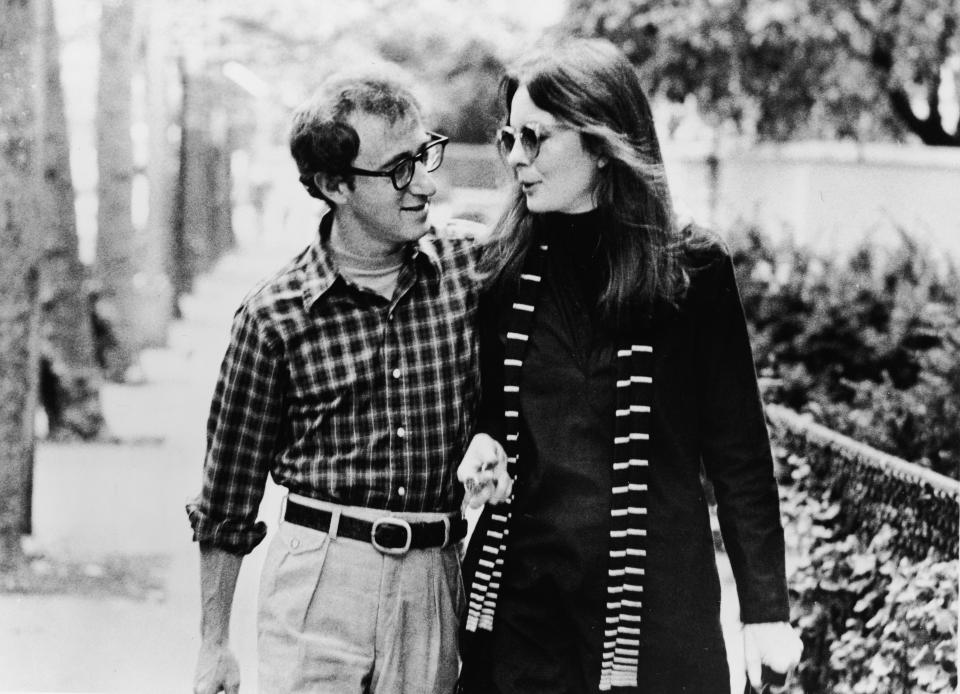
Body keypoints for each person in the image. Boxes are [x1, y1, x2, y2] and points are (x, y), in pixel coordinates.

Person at [456, 39, 802, 694]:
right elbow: (488, 419)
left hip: (656, 610)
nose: (517, 159)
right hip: (523, 607)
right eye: (510, 138)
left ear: (600, 141)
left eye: (537, 137)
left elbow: (739, 454)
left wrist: (765, 610)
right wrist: (481, 444)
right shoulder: (499, 269)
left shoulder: (693, 269)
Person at [187, 68, 481, 694]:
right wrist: (215, 644)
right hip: (320, 576)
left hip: (434, 576)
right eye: (399, 168)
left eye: (424, 155)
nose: (426, 183)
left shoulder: (470, 271)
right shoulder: (275, 317)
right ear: (333, 184)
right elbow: (227, 497)